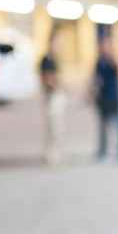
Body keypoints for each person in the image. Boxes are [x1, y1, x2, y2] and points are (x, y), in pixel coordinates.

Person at [94, 36, 118, 161]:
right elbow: (97, 80)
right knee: (102, 127)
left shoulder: (112, 61)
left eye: (106, 46)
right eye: (102, 46)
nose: (103, 48)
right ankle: (102, 151)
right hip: (102, 99)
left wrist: (113, 58)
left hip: (113, 99)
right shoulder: (99, 62)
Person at [40, 31, 66, 165]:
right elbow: (46, 79)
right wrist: (57, 84)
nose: (60, 45)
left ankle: (55, 154)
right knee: (53, 128)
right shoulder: (47, 59)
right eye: (58, 42)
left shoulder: (55, 59)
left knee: (58, 128)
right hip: (52, 97)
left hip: (57, 96)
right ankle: (51, 157)